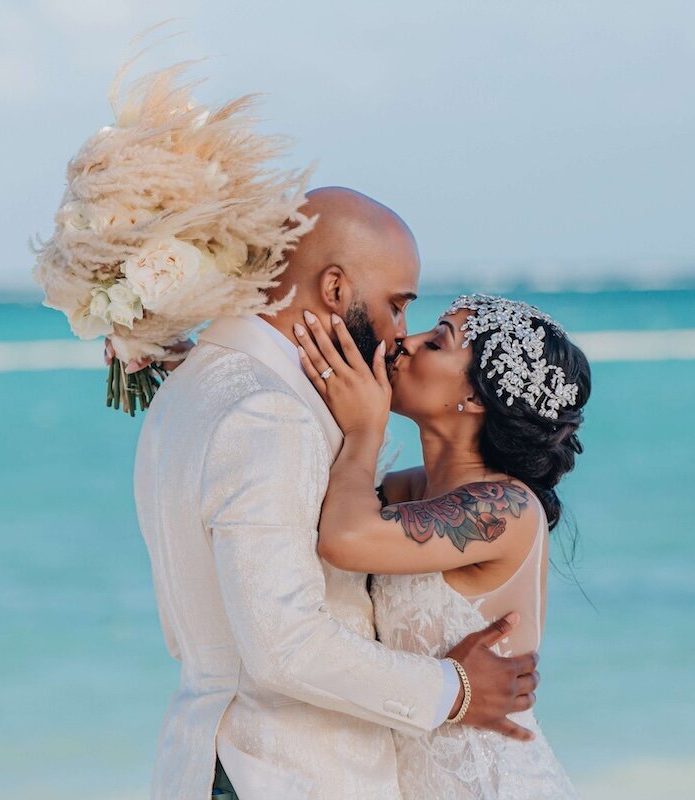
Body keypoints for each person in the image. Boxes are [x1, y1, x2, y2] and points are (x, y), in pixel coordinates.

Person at [131, 187, 538, 800]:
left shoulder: (193, 384)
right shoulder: (269, 413)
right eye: (397, 306)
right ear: (336, 289)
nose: (400, 335)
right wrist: (455, 689)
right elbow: (284, 647)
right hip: (283, 772)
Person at [293, 291, 591, 798]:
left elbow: (343, 539)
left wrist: (366, 428)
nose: (405, 342)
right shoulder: (405, 492)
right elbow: (317, 514)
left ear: (477, 398)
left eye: (437, 342)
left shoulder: (506, 508)